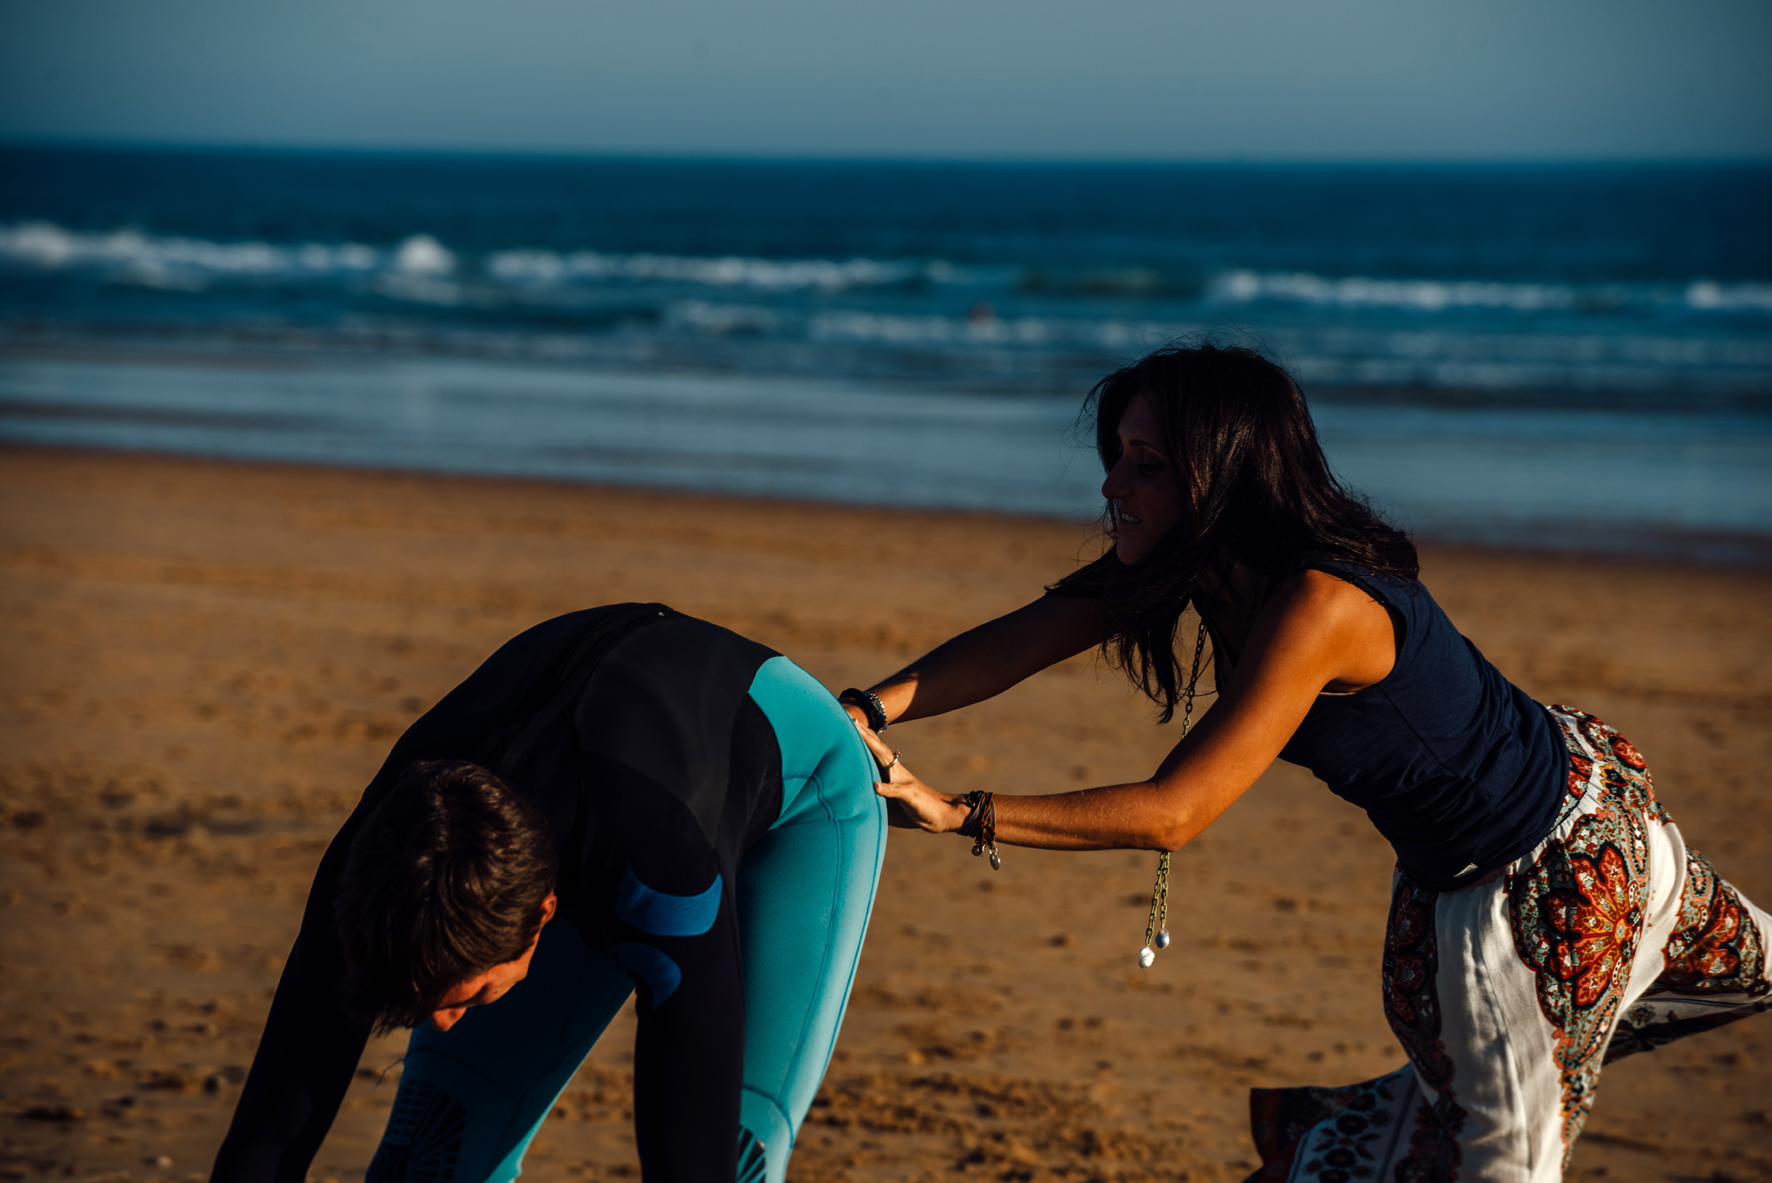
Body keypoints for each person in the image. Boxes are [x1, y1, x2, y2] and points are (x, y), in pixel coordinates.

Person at [838, 343, 1770, 1180]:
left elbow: (1176, 810)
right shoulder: (1196, 565)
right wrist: (867, 707)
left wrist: (963, 812)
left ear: (1226, 476)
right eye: (1117, 455)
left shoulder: (1318, 603)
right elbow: (1021, 639)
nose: (1115, 484)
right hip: (1561, 823)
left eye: (1149, 464)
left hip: (1538, 905)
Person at [211, 603, 886, 1183]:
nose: (436, 1022)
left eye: (465, 994)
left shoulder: (663, 869)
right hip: (594, 767)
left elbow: (688, 1153)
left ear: (545, 914)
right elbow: (263, 1141)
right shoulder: (375, 868)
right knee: (428, 1157)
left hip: (801, 791)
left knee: (734, 1159)